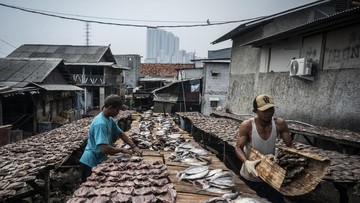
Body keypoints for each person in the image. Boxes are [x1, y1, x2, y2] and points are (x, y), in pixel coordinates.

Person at [235, 94, 294, 203]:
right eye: (264, 110)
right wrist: (246, 162)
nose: (269, 113)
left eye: (271, 109)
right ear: (255, 111)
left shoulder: (279, 124)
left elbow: (290, 147)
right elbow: (238, 147)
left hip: (270, 176)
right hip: (250, 176)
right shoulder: (247, 125)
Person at [80, 94, 143, 182]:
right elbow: (104, 149)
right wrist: (122, 150)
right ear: (110, 108)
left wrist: (134, 146)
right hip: (90, 162)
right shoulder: (100, 123)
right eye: (117, 109)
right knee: (88, 190)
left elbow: (121, 134)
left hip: (99, 159)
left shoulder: (110, 119)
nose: (119, 112)